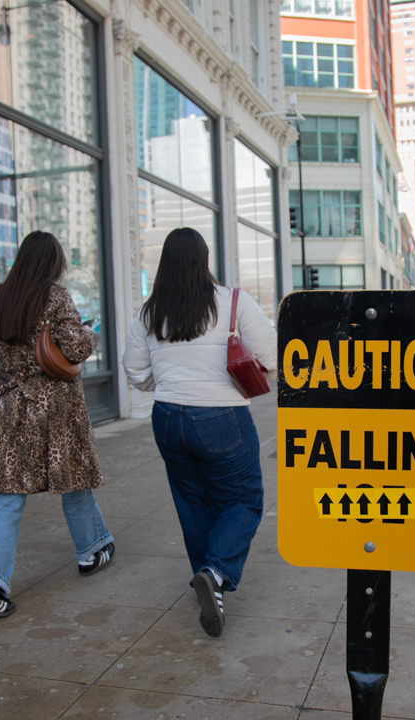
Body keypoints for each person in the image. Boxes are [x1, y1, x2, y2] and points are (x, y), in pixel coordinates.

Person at [122, 227, 276, 638]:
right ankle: (216, 571)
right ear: (204, 259)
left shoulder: (148, 312)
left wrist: (170, 385)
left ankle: (206, 579)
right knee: (244, 500)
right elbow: (273, 355)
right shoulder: (233, 302)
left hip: (168, 416)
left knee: (191, 501)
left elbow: (135, 371)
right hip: (222, 416)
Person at [0, 230, 114, 619]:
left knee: (5, 496)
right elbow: (76, 347)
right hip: (53, 407)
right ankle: (91, 551)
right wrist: (88, 332)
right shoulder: (55, 296)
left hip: (8, 406)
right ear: (53, 262)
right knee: (72, 479)